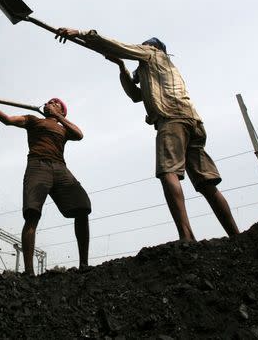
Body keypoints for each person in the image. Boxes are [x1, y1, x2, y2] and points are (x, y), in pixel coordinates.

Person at [55, 28, 239, 242]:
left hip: (171, 119)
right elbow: (135, 96)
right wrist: (121, 66)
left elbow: (118, 47)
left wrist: (80, 33)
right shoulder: (162, 71)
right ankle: (236, 235)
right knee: (206, 183)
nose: (143, 48)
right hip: (193, 122)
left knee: (168, 171)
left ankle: (186, 237)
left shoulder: (152, 54)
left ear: (155, 47)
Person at [0, 95, 91, 275]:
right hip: (37, 166)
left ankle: (84, 265)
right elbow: (7, 120)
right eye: (48, 102)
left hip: (60, 168)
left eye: (55, 103)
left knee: (83, 208)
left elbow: (80, 135)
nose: (49, 103)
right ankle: (29, 271)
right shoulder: (33, 120)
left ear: (62, 111)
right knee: (32, 214)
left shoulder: (63, 128)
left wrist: (59, 117)